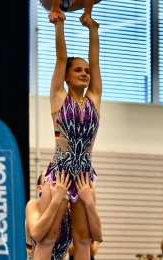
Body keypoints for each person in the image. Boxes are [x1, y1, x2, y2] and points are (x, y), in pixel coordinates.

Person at [39, 6, 103, 260]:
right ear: (66, 76)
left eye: (86, 71)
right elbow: (60, 58)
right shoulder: (58, 98)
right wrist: (59, 25)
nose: (85, 73)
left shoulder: (94, 100)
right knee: (48, 236)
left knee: (84, 238)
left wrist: (93, 31)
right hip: (60, 174)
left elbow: (96, 61)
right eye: (78, 70)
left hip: (84, 176)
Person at [25, 171, 72, 260]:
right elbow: (36, 234)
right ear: (40, 188)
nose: (55, 183)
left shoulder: (68, 209)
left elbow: (95, 237)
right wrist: (56, 200)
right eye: (49, 180)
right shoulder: (34, 205)